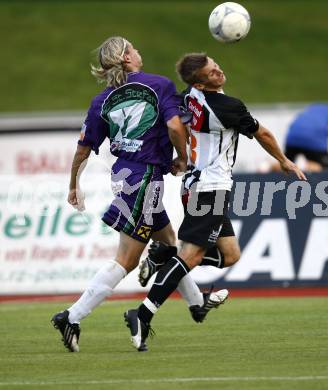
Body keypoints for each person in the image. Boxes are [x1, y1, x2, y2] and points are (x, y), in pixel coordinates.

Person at [51, 38, 228, 353]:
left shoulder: (101, 100)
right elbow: (175, 127)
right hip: (145, 177)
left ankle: (197, 303)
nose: (139, 51)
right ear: (127, 56)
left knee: (169, 243)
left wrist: (72, 184)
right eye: (133, 48)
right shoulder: (158, 84)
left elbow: (82, 149)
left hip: (126, 175)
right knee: (128, 260)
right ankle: (71, 316)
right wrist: (183, 159)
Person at [124, 52, 307, 352]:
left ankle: (163, 257)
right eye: (212, 72)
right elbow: (262, 132)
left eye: (217, 66)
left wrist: (181, 156)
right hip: (209, 188)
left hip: (197, 185)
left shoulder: (189, 97)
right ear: (200, 81)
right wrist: (284, 161)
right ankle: (142, 314)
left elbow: (176, 124)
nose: (219, 72)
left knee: (230, 255)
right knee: (192, 256)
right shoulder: (227, 107)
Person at [284, 101, 328, 171]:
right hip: (314, 138)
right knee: (327, 170)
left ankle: (272, 171)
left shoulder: (316, 107)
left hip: (293, 135)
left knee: (285, 164)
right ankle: (308, 173)